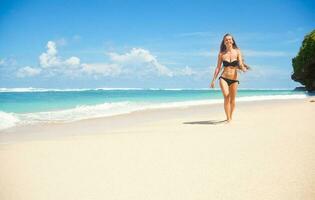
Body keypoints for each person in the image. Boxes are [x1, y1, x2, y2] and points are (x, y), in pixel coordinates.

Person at [210, 33, 248, 122]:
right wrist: (213, 80)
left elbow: (240, 63)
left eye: (230, 39)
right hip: (224, 78)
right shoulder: (221, 54)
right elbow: (218, 67)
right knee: (227, 96)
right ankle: (228, 118)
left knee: (233, 100)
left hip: (234, 79)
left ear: (233, 41)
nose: (228, 41)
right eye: (226, 40)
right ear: (224, 42)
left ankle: (230, 116)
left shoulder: (238, 51)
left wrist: (243, 68)